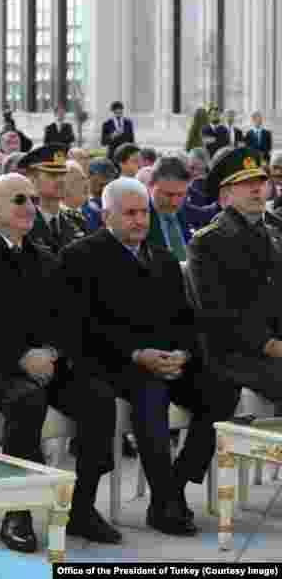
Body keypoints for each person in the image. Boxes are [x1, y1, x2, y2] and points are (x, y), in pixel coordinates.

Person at [0, 173, 119, 552]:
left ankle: (81, 508)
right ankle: (17, 512)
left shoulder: (44, 256)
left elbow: (68, 320)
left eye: (34, 200)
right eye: (19, 199)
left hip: (42, 366)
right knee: (25, 399)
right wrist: (20, 357)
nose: (30, 207)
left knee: (98, 398)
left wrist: (52, 354)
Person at [61, 178, 239, 535]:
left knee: (222, 387)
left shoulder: (163, 258)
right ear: (106, 216)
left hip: (166, 360)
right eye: (130, 213)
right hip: (112, 362)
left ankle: (174, 485)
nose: (140, 220)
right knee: (150, 391)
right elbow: (80, 326)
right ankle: (164, 503)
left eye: (144, 212)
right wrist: (137, 354)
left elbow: (184, 319)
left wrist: (182, 354)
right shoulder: (80, 255)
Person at [188, 147, 282, 403]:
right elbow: (217, 312)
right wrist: (268, 344)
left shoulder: (276, 232)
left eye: (261, 181)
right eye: (245, 183)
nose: (256, 189)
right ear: (226, 194)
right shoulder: (208, 242)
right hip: (235, 353)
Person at [19, 145, 86, 254]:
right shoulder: (21, 222)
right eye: (52, 175)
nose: (61, 180)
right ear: (33, 179)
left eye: (63, 174)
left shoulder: (76, 221)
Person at [143, 156, 199, 261]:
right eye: (168, 195)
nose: (174, 203)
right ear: (150, 186)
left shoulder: (189, 213)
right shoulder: (139, 217)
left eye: (181, 195)